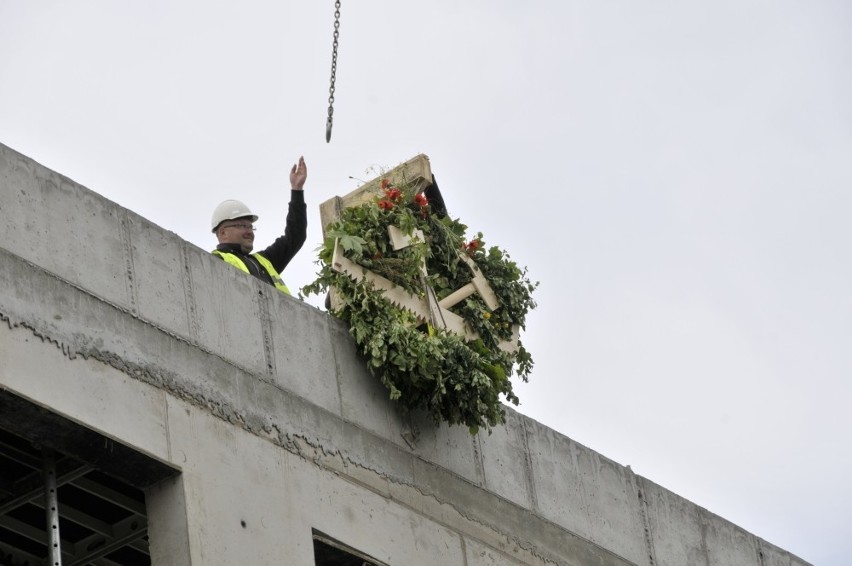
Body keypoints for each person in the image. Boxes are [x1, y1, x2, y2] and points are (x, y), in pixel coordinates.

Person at [210, 156, 308, 295]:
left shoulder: (263, 261)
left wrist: (297, 190)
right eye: (242, 226)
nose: (249, 231)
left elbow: (296, 235)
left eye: (251, 227)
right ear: (223, 233)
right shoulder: (213, 262)